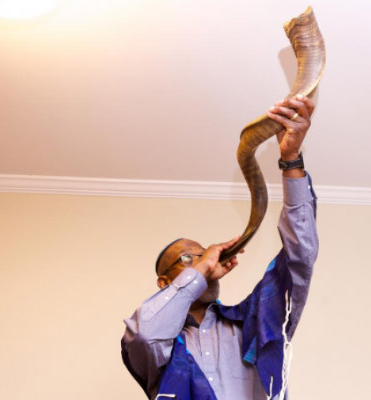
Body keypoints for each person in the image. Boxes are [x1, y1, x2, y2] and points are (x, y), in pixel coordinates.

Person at [122, 94, 319, 400]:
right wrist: (202, 269)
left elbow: (300, 259)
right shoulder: (159, 347)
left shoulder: (253, 324)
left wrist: (291, 159)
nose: (206, 261)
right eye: (190, 258)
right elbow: (145, 335)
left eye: (205, 254)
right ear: (164, 282)